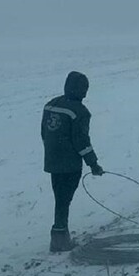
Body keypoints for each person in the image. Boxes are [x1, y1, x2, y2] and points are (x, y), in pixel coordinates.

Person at [41, 71, 105, 252]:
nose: (85, 93)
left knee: (59, 197)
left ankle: (59, 235)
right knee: (64, 200)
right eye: (84, 89)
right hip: (69, 164)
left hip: (52, 159)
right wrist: (93, 164)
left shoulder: (51, 104)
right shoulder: (80, 112)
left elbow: (44, 132)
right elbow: (81, 141)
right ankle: (59, 238)